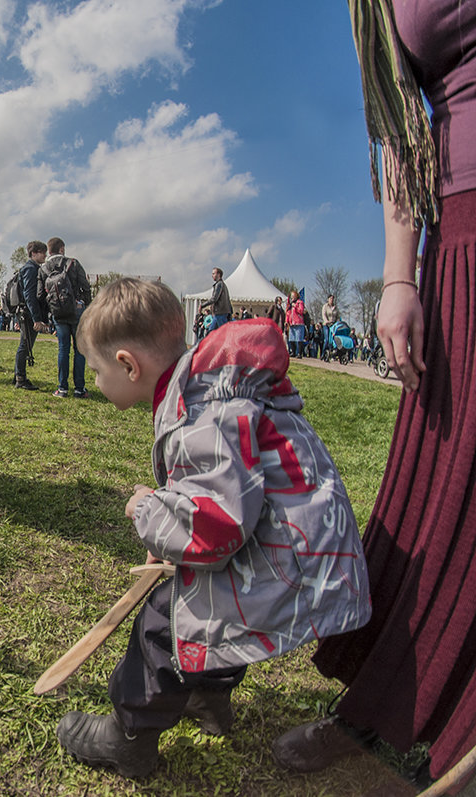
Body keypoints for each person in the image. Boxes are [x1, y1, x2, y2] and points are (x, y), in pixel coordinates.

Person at [273, 1, 476, 786]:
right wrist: (399, 275)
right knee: (453, 466)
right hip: (461, 224)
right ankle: (395, 699)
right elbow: (398, 126)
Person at [55, 277, 370, 779]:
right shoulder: (204, 388)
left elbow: (218, 526)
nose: (93, 380)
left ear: (127, 365)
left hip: (289, 559)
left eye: (94, 370)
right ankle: (206, 696)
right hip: (295, 547)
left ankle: (129, 733)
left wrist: (148, 511)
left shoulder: (201, 410)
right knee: (208, 604)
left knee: (168, 618)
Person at [42, 237, 93, 398]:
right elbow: (86, 287)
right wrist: (85, 305)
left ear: (49, 251)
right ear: (62, 249)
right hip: (76, 310)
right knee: (79, 349)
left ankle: (62, 388)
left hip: (58, 312)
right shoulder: (74, 263)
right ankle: (79, 388)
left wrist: (47, 314)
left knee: (63, 349)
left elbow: (39, 293)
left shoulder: (44, 269)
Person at [12, 241, 47, 390]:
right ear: (34, 253)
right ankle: (21, 379)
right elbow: (29, 296)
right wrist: (37, 318)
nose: (45, 255)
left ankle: (17, 376)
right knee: (25, 346)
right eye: (42, 252)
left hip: (25, 312)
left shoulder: (31, 268)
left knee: (25, 345)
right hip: (28, 313)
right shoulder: (31, 269)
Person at [198, 267, 232, 332]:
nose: (212, 275)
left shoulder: (219, 284)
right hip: (219, 313)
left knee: (220, 333)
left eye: (213, 273)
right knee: (212, 332)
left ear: (218, 275)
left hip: (220, 313)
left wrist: (202, 305)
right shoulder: (221, 284)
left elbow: (214, 298)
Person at [285, 290, 306, 357]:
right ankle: (293, 352)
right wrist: (286, 321)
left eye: (293, 296)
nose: (292, 298)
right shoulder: (290, 305)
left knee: (299, 338)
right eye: (291, 296)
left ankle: (299, 353)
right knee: (292, 338)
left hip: (298, 322)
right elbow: (288, 313)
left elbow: (301, 311)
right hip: (292, 323)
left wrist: (295, 306)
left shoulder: (300, 303)